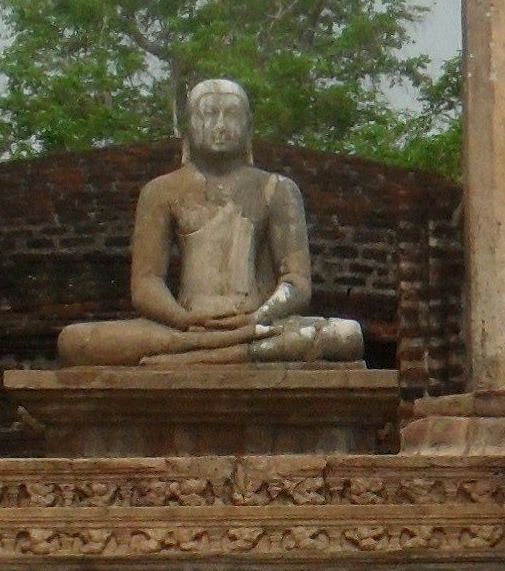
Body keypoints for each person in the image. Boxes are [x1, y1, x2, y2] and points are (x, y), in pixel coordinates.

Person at [56, 80, 365, 365]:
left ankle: (202, 355)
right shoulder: (160, 191)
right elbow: (146, 283)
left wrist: (259, 316)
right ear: (189, 127)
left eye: (231, 115)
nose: (220, 126)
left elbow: (297, 283)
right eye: (208, 114)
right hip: (185, 324)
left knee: (345, 335)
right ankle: (232, 351)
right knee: (74, 340)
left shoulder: (277, 189)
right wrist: (182, 320)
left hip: (257, 321)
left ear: (248, 127)